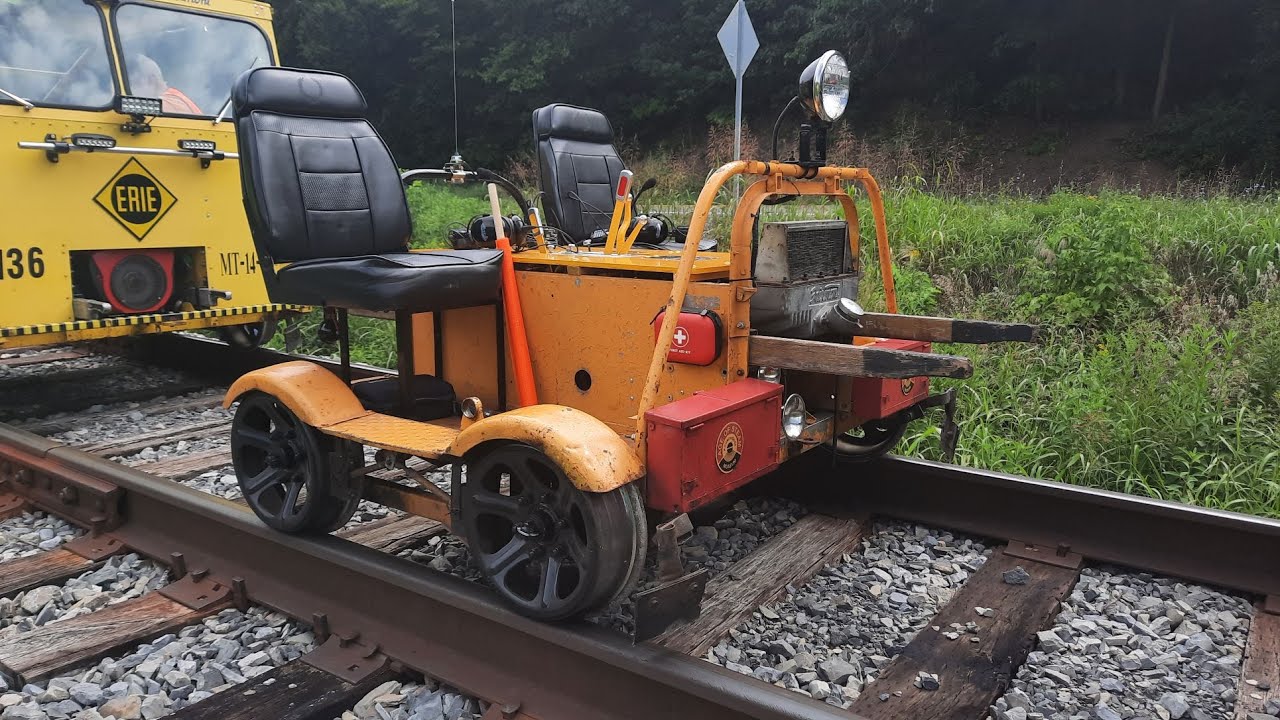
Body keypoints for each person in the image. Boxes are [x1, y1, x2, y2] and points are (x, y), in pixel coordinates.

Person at [130, 54, 201, 114]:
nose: (132, 91)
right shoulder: (173, 98)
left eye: (134, 84)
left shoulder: (168, 104)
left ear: (151, 80)